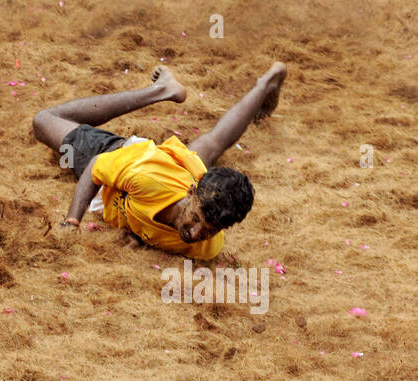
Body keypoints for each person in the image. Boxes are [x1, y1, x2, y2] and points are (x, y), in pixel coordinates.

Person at [32, 62, 287, 258]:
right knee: (43, 121)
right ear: (191, 190)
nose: (195, 234)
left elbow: (185, 224)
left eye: (209, 230)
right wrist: (72, 222)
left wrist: (140, 235)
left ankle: (265, 84)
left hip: (171, 171)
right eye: (196, 219)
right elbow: (94, 167)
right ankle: (159, 91)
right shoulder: (146, 177)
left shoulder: (207, 247)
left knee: (214, 143)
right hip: (123, 156)